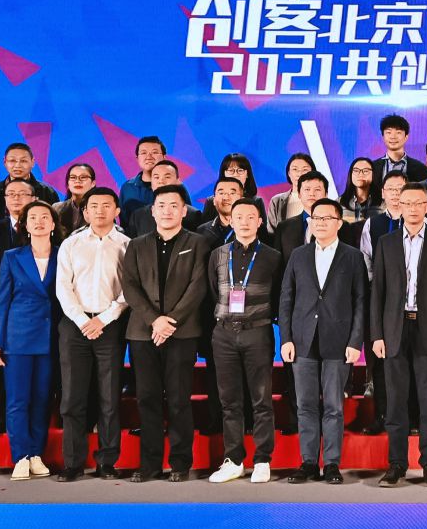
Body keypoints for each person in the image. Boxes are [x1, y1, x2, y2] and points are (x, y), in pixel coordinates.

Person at [369, 183, 427, 486]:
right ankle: (396, 464)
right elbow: (377, 293)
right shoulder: (386, 242)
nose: (411, 208)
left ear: (426, 206)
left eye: (417, 203)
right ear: (399, 205)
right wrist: (377, 334)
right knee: (395, 401)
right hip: (394, 329)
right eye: (406, 203)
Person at [120, 184, 208, 482]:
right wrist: (154, 320)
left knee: (179, 399)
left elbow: (198, 286)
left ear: (184, 211)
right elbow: (130, 286)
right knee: (147, 399)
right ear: (152, 211)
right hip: (143, 333)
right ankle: (150, 464)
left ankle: (181, 463)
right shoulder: (136, 244)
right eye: (162, 205)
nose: (167, 211)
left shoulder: (197, 243)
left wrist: (170, 322)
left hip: (182, 333)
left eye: (174, 205)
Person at [278, 198, 366, 485]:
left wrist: (355, 341)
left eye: (327, 218)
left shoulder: (352, 256)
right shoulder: (298, 255)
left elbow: (360, 302)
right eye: (316, 218)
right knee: (305, 405)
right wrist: (286, 338)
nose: (320, 223)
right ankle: (307, 462)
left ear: (339, 223)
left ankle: (331, 463)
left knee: (333, 406)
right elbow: (286, 299)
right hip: (302, 341)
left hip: (338, 342)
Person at [54, 187, 130, 480]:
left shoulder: (127, 245)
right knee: (72, 397)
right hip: (75, 326)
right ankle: (73, 462)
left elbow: (129, 289)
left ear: (117, 211)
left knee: (109, 397)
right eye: (93, 205)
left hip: (110, 326)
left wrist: (104, 319)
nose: (100, 210)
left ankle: (107, 461)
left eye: (106, 205)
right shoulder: (71, 244)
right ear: (85, 212)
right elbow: (63, 287)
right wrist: (81, 320)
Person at [206, 198, 282, 484]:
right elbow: (213, 292)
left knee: (261, 400)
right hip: (224, 333)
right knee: (229, 401)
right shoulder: (218, 255)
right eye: (239, 217)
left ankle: (262, 459)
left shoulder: (273, 256)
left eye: (251, 217)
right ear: (231, 220)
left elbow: (278, 295)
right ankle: (233, 460)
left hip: (257, 332)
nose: (245, 222)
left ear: (260, 221)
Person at [0, 199, 62, 480]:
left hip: (52, 336)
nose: (39, 222)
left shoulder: (64, 254)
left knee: (42, 399)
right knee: (18, 399)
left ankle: (36, 454)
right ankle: (20, 455)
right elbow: (2, 300)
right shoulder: (12, 256)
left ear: (53, 224)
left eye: (45, 217)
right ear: (25, 225)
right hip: (18, 336)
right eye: (33, 218)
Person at [0, 142, 58, 221]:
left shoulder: (47, 192)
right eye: (12, 160)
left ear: (33, 162)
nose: (17, 165)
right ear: (5, 162)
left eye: (23, 161)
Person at [275, 171, 334, 258]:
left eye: (317, 189)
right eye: (307, 189)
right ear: (299, 194)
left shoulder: (339, 226)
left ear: (326, 194)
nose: (312, 194)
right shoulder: (283, 228)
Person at [123, 159, 185, 237]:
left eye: (167, 177)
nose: (161, 181)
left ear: (178, 181)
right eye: (156, 177)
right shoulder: (138, 216)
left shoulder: (192, 215)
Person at [0, 177, 37, 266]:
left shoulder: (41, 227)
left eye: (22, 194)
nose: (16, 198)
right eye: (11, 194)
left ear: (33, 199)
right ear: (5, 199)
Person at [357, 171, 409, 259]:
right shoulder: (371, 223)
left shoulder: (420, 220)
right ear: (383, 193)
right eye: (390, 189)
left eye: (400, 188)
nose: (395, 193)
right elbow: (365, 256)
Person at [265, 153, 318, 230]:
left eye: (305, 170)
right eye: (295, 169)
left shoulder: (320, 200)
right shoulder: (277, 201)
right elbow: (271, 232)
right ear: (289, 173)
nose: (299, 174)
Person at [375, 113, 427, 182]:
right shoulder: (373, 167)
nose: (393, 137)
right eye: (388, 132)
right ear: (383, 137)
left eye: (398, 132)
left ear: (406, 137)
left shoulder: (420, 168)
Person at [118, 135, 167, 213]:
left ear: (164, 157)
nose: (149, 157)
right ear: (137, 158)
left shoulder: (175, 186)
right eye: (143, 153)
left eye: (154, 152)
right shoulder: (127, 188)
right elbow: (123, 218)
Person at [53, 163, 98, 236]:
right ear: (68, 184)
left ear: (93, 183)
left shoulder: (100, 209)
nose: (77, 181)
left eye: (83, 177)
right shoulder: (57, 208)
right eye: (73, 177)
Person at [198, 176, 244, 246]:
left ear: (242, 200)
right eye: (221, 193)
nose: (226, 198)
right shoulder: (201, 231)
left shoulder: (254, 228)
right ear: (214, 200)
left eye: (232, 193)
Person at [340, 157, 377, 223]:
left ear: (373, 174)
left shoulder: (383, 204)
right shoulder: (339, 203)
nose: (361, 174)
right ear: (350, 174)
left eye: (365, 171)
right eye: (356, 171)